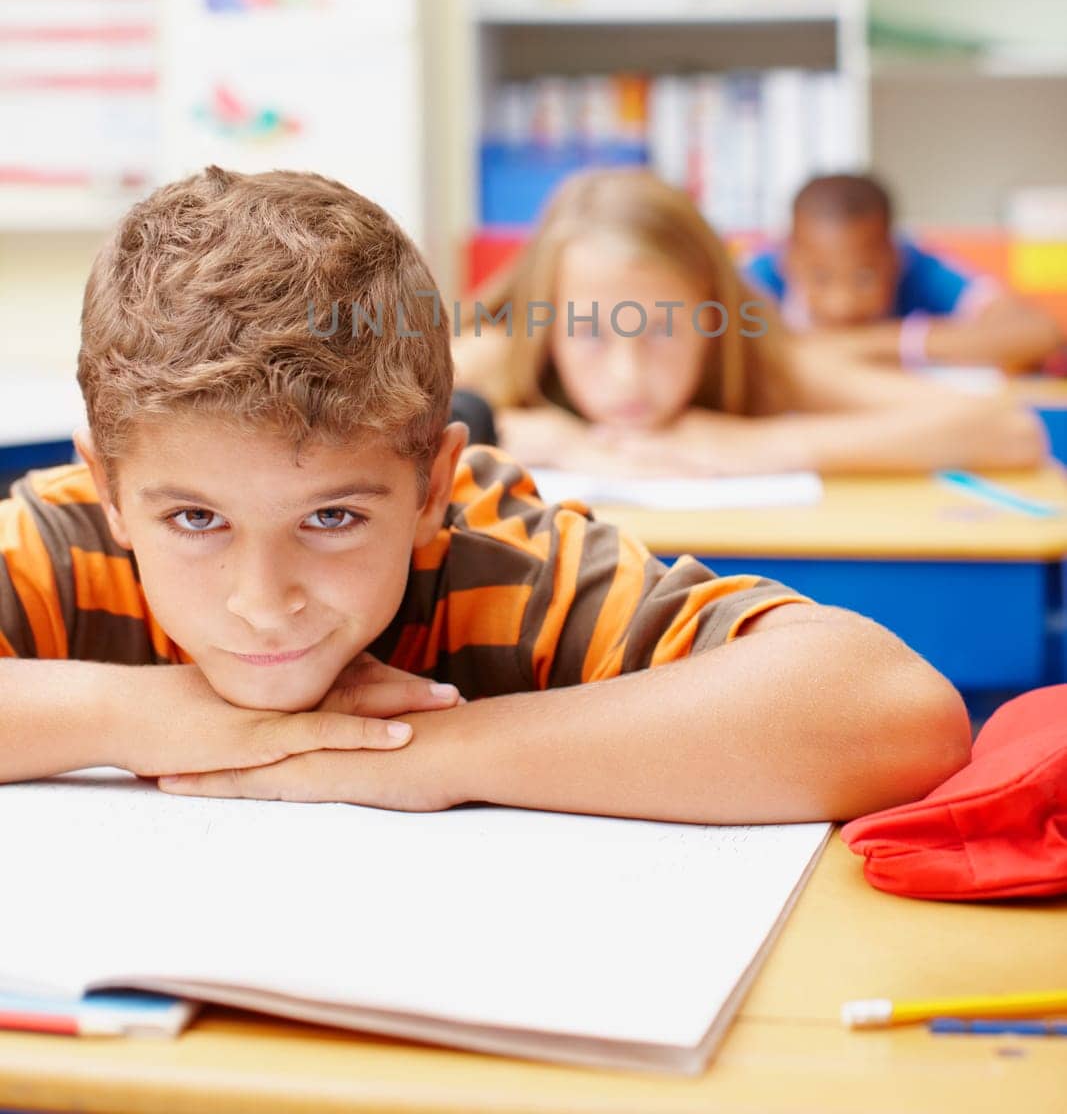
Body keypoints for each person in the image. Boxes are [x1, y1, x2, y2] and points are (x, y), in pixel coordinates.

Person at [0, 165, 969, 823]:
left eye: (333, 517)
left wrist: (424, 753)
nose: (263, 600)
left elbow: (892, 709)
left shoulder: (497, 560)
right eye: (195, 519)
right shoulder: (61, 541)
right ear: (111, 487)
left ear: (431, 484)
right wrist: (134, 715)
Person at [453, 167, 1046, 477]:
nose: (628, 378)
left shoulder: (763, 361)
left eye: (663, 330)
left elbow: (1012, 432)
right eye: (586, 332)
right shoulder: (501, 353)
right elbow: (367, 427)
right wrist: (543, 438)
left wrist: (763, 445)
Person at [745, 173, 1062, 373]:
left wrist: (880, 342)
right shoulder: (759, 277)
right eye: (820, 278)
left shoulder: (919, 269)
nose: (842, 304)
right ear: (789, 261)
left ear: (894, 258)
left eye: (864, 278)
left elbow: (1039, 333)